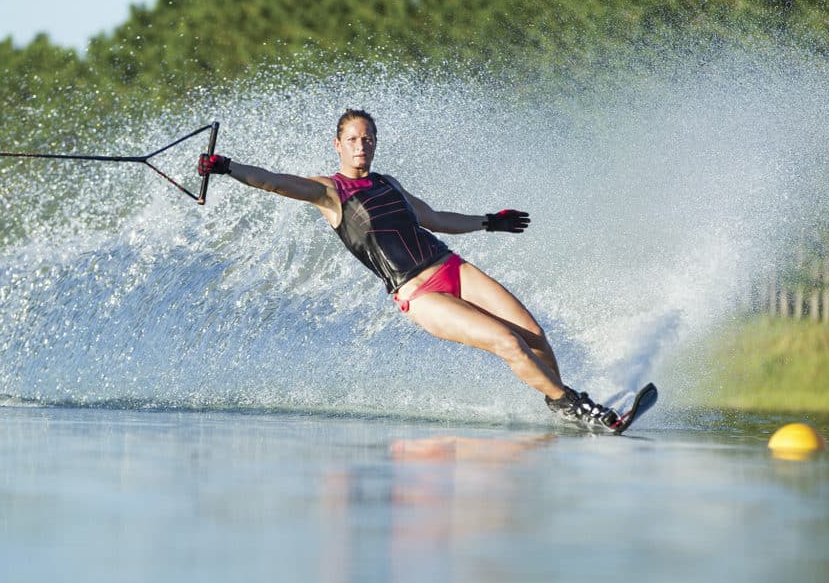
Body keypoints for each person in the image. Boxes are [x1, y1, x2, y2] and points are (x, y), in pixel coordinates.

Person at [197, 109, 619, 429]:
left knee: (534, 336)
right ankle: (577, 406)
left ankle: (560, 405)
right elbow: (272, 180)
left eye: (368, 138)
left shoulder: (389, 183)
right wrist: (227, 167)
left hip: (450, 265)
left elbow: (433, 218)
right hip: (418, 293)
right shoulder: (328, 192)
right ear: (337, 144)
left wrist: (489, 221)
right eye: (353, 139)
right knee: (508, 342)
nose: (362, 145)